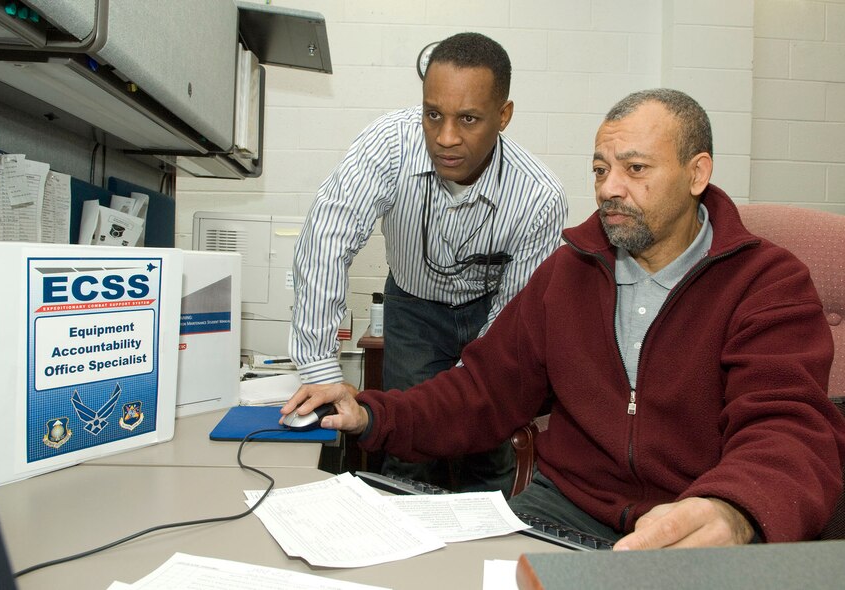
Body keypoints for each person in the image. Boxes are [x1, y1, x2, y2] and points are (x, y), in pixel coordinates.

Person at [282, 88, 845, 549]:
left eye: (636, 168)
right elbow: (481, 392)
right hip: (564, 511)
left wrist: (735, 510)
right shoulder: (570, 271)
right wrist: (369, 414)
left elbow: (788, 428)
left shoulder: (767, 283)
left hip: (692, 523)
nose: (609, 189)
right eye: (600, 169)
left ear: (697, 174)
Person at [289, 32, 567, 495]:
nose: (445, 138)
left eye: (469, 119)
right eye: (432, 114)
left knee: (487, 448)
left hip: (493, 315)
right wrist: (320, 370)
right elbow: (326, 242)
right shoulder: (389, 144)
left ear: (503, 116)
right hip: (414, 308)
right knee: (408, 453)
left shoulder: (539, 197)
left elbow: (512, 320)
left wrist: (465, 400)